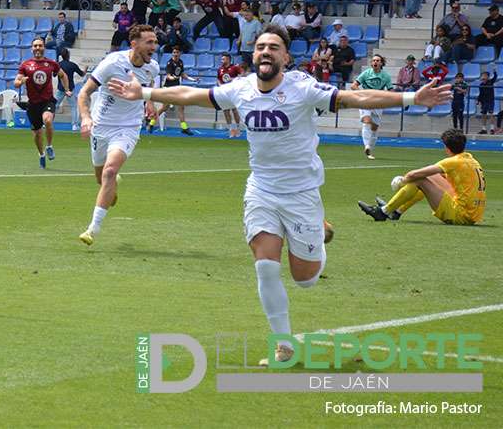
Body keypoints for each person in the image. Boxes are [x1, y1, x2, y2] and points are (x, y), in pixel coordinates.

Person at [105, 23, 451, 365]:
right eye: (260, 47)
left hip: (301, 194)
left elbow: (353, 97)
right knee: (266, 268)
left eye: (273, 47)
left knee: (305, 280)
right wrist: (146, 94)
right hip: (262, 190)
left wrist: (411, 97)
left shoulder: (303, 89)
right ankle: (283, 344)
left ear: (285, 56)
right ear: (253, 54)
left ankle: (318, 232)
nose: (265, 52)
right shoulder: (240, 89)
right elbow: (192, 95)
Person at [75, 25, 160, 245]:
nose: (154, 46)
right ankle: (110, 188)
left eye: (155, 42)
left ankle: (92, 229)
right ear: (134, 44)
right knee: (102, 178)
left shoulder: (153, 68)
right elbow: (84, 92)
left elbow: (147, 86)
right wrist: (86, 118)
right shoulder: (112, 63)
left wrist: (149, 102)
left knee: (110, 170)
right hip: (101, 127)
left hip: (128, 127)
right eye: (149, 42)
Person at [359, 129, 485, 225]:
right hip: (473, 214)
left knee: (419, 179)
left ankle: (383, 212)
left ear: (446, 147)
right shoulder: (470, 159)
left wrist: (402, 181)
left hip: (460, 215)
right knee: (430, 176)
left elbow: (413, 175)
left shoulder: (452, 162)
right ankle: (396, 212)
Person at [14, 37, 69, 168]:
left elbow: (63, 75)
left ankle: (49, 146)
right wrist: (20, 82)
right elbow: (16, 82)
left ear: (44, 47)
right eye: (35, 46)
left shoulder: (51, 64)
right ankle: (41, 154)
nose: (38, 48)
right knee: (37, 134)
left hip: (47, 101)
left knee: (48, 120)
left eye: (40, 45)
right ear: (32, 48)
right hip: (33, 104)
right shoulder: (25, 65)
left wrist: (67, 89)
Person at [351, 54, 392, 160]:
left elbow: (391, 90)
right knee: (366, 122)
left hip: (378, 102)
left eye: (378, 60)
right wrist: (362, 93)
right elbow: (353, 85)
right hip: (365, 101)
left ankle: (370, 150)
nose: (375, 62)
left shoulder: (386, 76)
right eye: (373, 60)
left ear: (381, 63)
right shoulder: (366, 73)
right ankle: (366, 146)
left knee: (375, 128)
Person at [151, 46, 198, 135]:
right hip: (168, 88)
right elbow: (168, 75)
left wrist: (192, 79)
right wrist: (173, 78)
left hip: (176, 88)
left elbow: (183, 74)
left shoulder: (180, 62)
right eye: (174, 53)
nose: (175, 54)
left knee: (181, 107)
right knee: (164, 108)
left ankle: (184, 127)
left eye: (177, 52)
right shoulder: (170, 63)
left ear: (180, 54)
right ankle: (151, 123)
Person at [55, 48, 85, 131]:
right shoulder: (72, 65)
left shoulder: (58, 65)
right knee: (73, 107)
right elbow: (82, 74)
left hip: (61, 88)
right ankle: (74, 125)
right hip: (70, 89)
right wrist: (85, 69)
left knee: (54, 106)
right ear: (68, 55)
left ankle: (46, 122)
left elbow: (54, 74)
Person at [217, 52, 242, 138]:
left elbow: (241, 77)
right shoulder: (220, 69)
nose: (222, 60)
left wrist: (232, 79)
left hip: (233, 92)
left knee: (234, 111)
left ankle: (238, 128)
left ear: (228, 59)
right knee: (226, 111)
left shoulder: (235, 67)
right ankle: (231, 129)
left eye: (223, 59)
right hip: (224, 93)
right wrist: (220, 85)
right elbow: (218, 79)